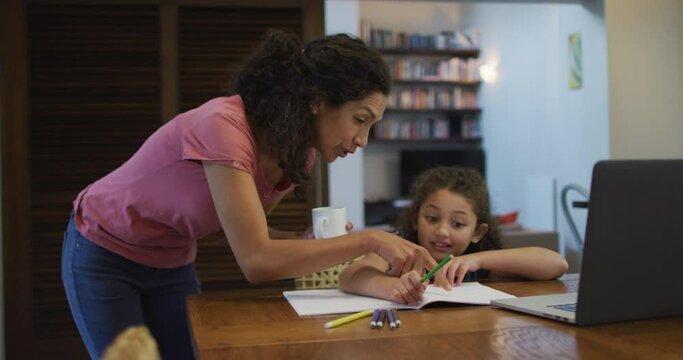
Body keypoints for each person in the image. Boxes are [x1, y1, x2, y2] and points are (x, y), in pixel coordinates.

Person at [61, 30, 448, 360]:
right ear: (317, 101)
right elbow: (257, 261)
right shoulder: (223, 127)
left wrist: (301, 243)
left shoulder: (298, 156)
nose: (362, 141)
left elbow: (254, 233)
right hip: (105, 250)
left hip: (172, 259)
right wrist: (369, 239)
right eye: (360, 120)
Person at [339, 166, 569, 304]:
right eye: (431, 218)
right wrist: (393, 288)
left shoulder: (476, 262)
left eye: (458, 223)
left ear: (478, 232)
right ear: (414, 218)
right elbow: (351, 276)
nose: (442, 231)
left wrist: (477, 260)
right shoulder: (401, 251)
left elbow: (556, 264)